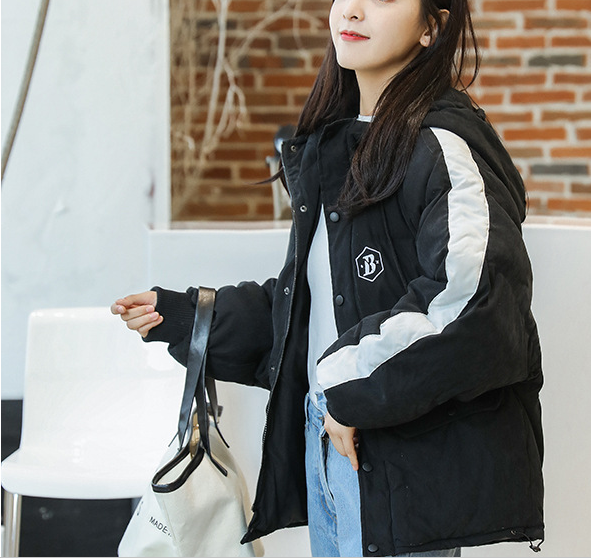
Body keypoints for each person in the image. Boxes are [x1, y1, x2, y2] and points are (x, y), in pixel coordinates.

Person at [112, 0, 544, 555]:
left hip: (402, 467)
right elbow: (314, 305)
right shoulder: (338, 146)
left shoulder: (443, 147)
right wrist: (190, 318)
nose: (354, 10)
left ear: (431, 28)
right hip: (331, 438)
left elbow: (475, 304)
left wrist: (346, 391)